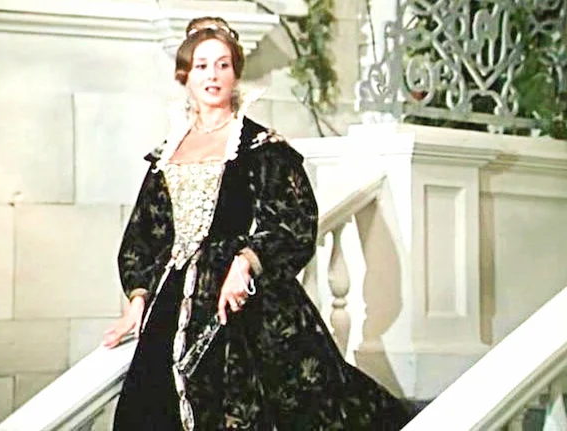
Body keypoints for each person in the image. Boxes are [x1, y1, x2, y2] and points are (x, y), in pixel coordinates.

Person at [103, 16, 415, 430]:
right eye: (201, 65)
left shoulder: (260, 146)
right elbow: (144, 235)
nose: (213, 75)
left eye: (223, 65)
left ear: (235, 73)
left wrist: (246, 262)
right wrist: (138, 298)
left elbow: (294, 219)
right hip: (172, 299)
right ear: (185, 75)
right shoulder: (166, 154)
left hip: (243, 298)